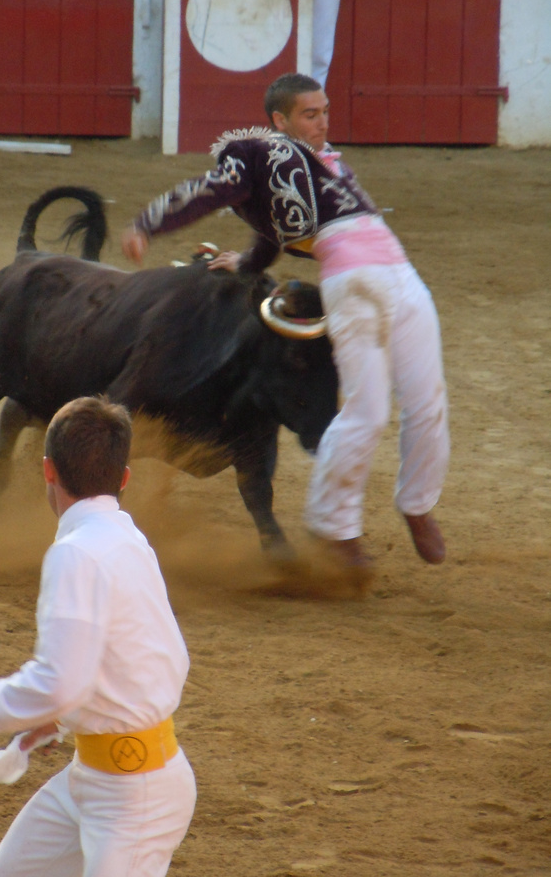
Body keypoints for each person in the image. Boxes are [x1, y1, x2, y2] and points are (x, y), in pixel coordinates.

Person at [121, 73, 449, 576]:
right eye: (309, 114)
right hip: (353, 277)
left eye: (324, 111)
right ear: (279, 120)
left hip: (400, 271)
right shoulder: (255, 149)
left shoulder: (321, 163)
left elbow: (274, 236)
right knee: (369, 409)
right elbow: (210, 189)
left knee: (429, 400)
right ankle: (334, 526)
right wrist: (148, 222)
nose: (322, 122)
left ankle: (418, 502)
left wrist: (249, 262)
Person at [0, 395, 196, 877]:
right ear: (125, 477)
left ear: (48, 471)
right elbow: (150, 658)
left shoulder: (77, 552)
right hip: (97, 781)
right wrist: (69, 717)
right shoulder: (127, 537)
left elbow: (57, 684)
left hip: (134, 802)